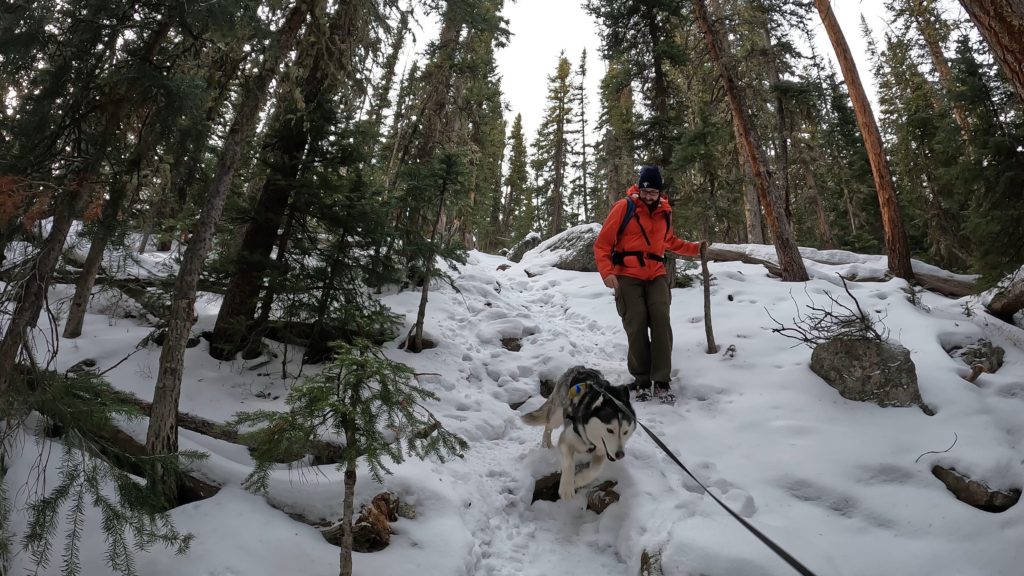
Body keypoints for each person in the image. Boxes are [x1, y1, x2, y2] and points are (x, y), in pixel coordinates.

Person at [593, 165, 707, 402]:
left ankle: (662, 379)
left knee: (661, 321)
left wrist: (695, 249)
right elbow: (602, 244)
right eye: (645, 192)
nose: (648, 196)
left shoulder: (665, 211)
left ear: (659, 192)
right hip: (627, 274)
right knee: (636, 322)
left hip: (656, 274)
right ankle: (642, 379)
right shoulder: (624, 207)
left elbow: (669, 241)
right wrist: (607, 273)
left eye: (653, 192)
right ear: (639, 189)